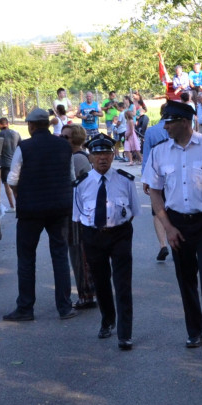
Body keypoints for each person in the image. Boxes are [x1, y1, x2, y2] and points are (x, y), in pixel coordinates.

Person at [143, 100, 202, 359]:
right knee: (185, 280)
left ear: (185, 122)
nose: (166, 126)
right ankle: (194, 330)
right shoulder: (160, 152)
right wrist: (168, 228)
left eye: (170, 121)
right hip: (177, 223)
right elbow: (154, 191)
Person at [3, 107, 77, 322]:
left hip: (31, 211)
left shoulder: (24, 147)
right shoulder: (64, 145)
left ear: (31, 126)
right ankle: (64, 307)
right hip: (60, 209)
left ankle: (26, 308)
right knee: (60, 256)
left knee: (26, 258)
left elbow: (12, 180)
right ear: (48, 124)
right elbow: (70, 176)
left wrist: (21, 198)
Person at [74, 133, 140, 351]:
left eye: (106, 153)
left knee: (123, 284)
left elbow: (133, 210)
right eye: (97, 153)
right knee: (101, 282)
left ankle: (125, 333)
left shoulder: (125, 180)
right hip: (93, 236)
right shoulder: (81, 185)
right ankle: (107, 319)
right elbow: (79, 216)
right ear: (90, 156)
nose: (102, 158)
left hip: (119, 234)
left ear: (113, 155)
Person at [63, 124, 95, 309]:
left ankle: (86, 294)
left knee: (79, 253)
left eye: (66, 137)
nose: (62, 140)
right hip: (80, 212)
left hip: (78, 214)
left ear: (75, 139)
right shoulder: (80, 156)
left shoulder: (76, 159)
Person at [141, 104, 171, 261]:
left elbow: (146, 156)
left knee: (158, 211)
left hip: (156, 175)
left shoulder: (151, 131)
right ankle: (176, 242)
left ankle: (162, 245)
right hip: (175, 176)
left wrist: (145, 178)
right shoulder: (178, 129)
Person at [0, 117, 21, 210]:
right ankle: (20, 205)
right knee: (17, 185)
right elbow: (20, 147)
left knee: (7, 185)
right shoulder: (16, 133)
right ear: (8, 124)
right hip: (16, 163)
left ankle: (12, 206)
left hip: (4, 164)